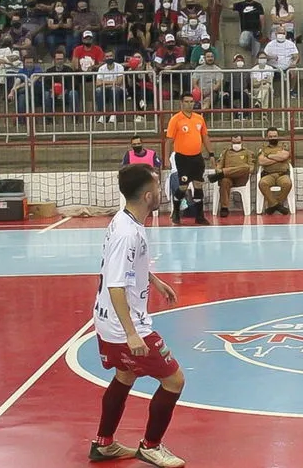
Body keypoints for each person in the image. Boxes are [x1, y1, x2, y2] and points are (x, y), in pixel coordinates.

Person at [89, 163, 186, 467]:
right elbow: (117, 286)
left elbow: (127, 268)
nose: (160, 191)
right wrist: (132, 333)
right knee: (174, 380)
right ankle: (151, 446)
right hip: (124, 325)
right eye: (157, 186)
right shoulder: (127, 234)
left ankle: (104, 445)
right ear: (147, 195)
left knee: (125, 374)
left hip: (108, 319)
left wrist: (154, 281)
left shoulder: (125, 221)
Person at [165, 93, 214, 225]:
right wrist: (166, 159)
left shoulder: (199, 119)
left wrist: (211, 154)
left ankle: (199, 216)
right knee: (183, 186)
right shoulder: (176, 119)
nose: (189, 104)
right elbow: (169, 141)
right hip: (182, 158)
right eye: (186, 102)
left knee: (198, 185)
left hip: (197, 157)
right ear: (181, 103)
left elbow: (205, 137)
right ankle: (176, 210)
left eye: (191, 102)